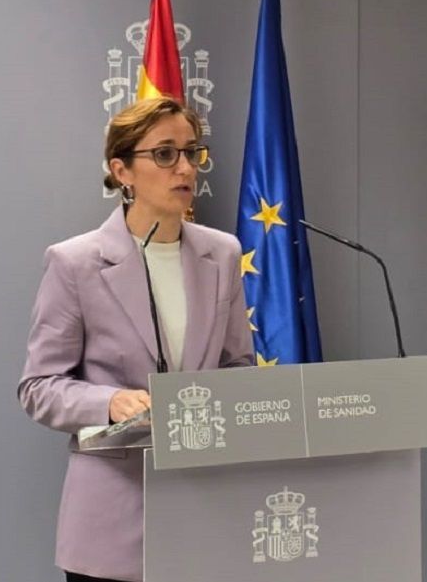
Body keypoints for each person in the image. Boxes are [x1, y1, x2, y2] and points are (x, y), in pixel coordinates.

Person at [18, 97, 254, 582]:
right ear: (121, 170)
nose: (184, 167)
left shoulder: (223, 252)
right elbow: (39, 387)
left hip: (207, 515)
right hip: (112, 526)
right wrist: (112, 402)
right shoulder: (75, 262)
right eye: (165, 154)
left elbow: (238, 368)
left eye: (192, 152)